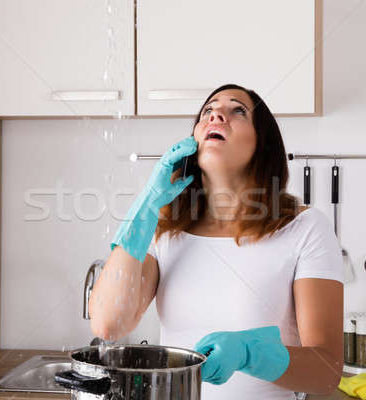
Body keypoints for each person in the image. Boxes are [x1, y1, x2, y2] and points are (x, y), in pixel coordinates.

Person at [89, 83, 344, 399]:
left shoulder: (305, 228)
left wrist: (251, 355)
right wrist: (148, 204)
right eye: (207, 111)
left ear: (263, 144)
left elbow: (328, 372)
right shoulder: (163, 231)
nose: (216, 115)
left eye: (237, 110)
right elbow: (107, 324)